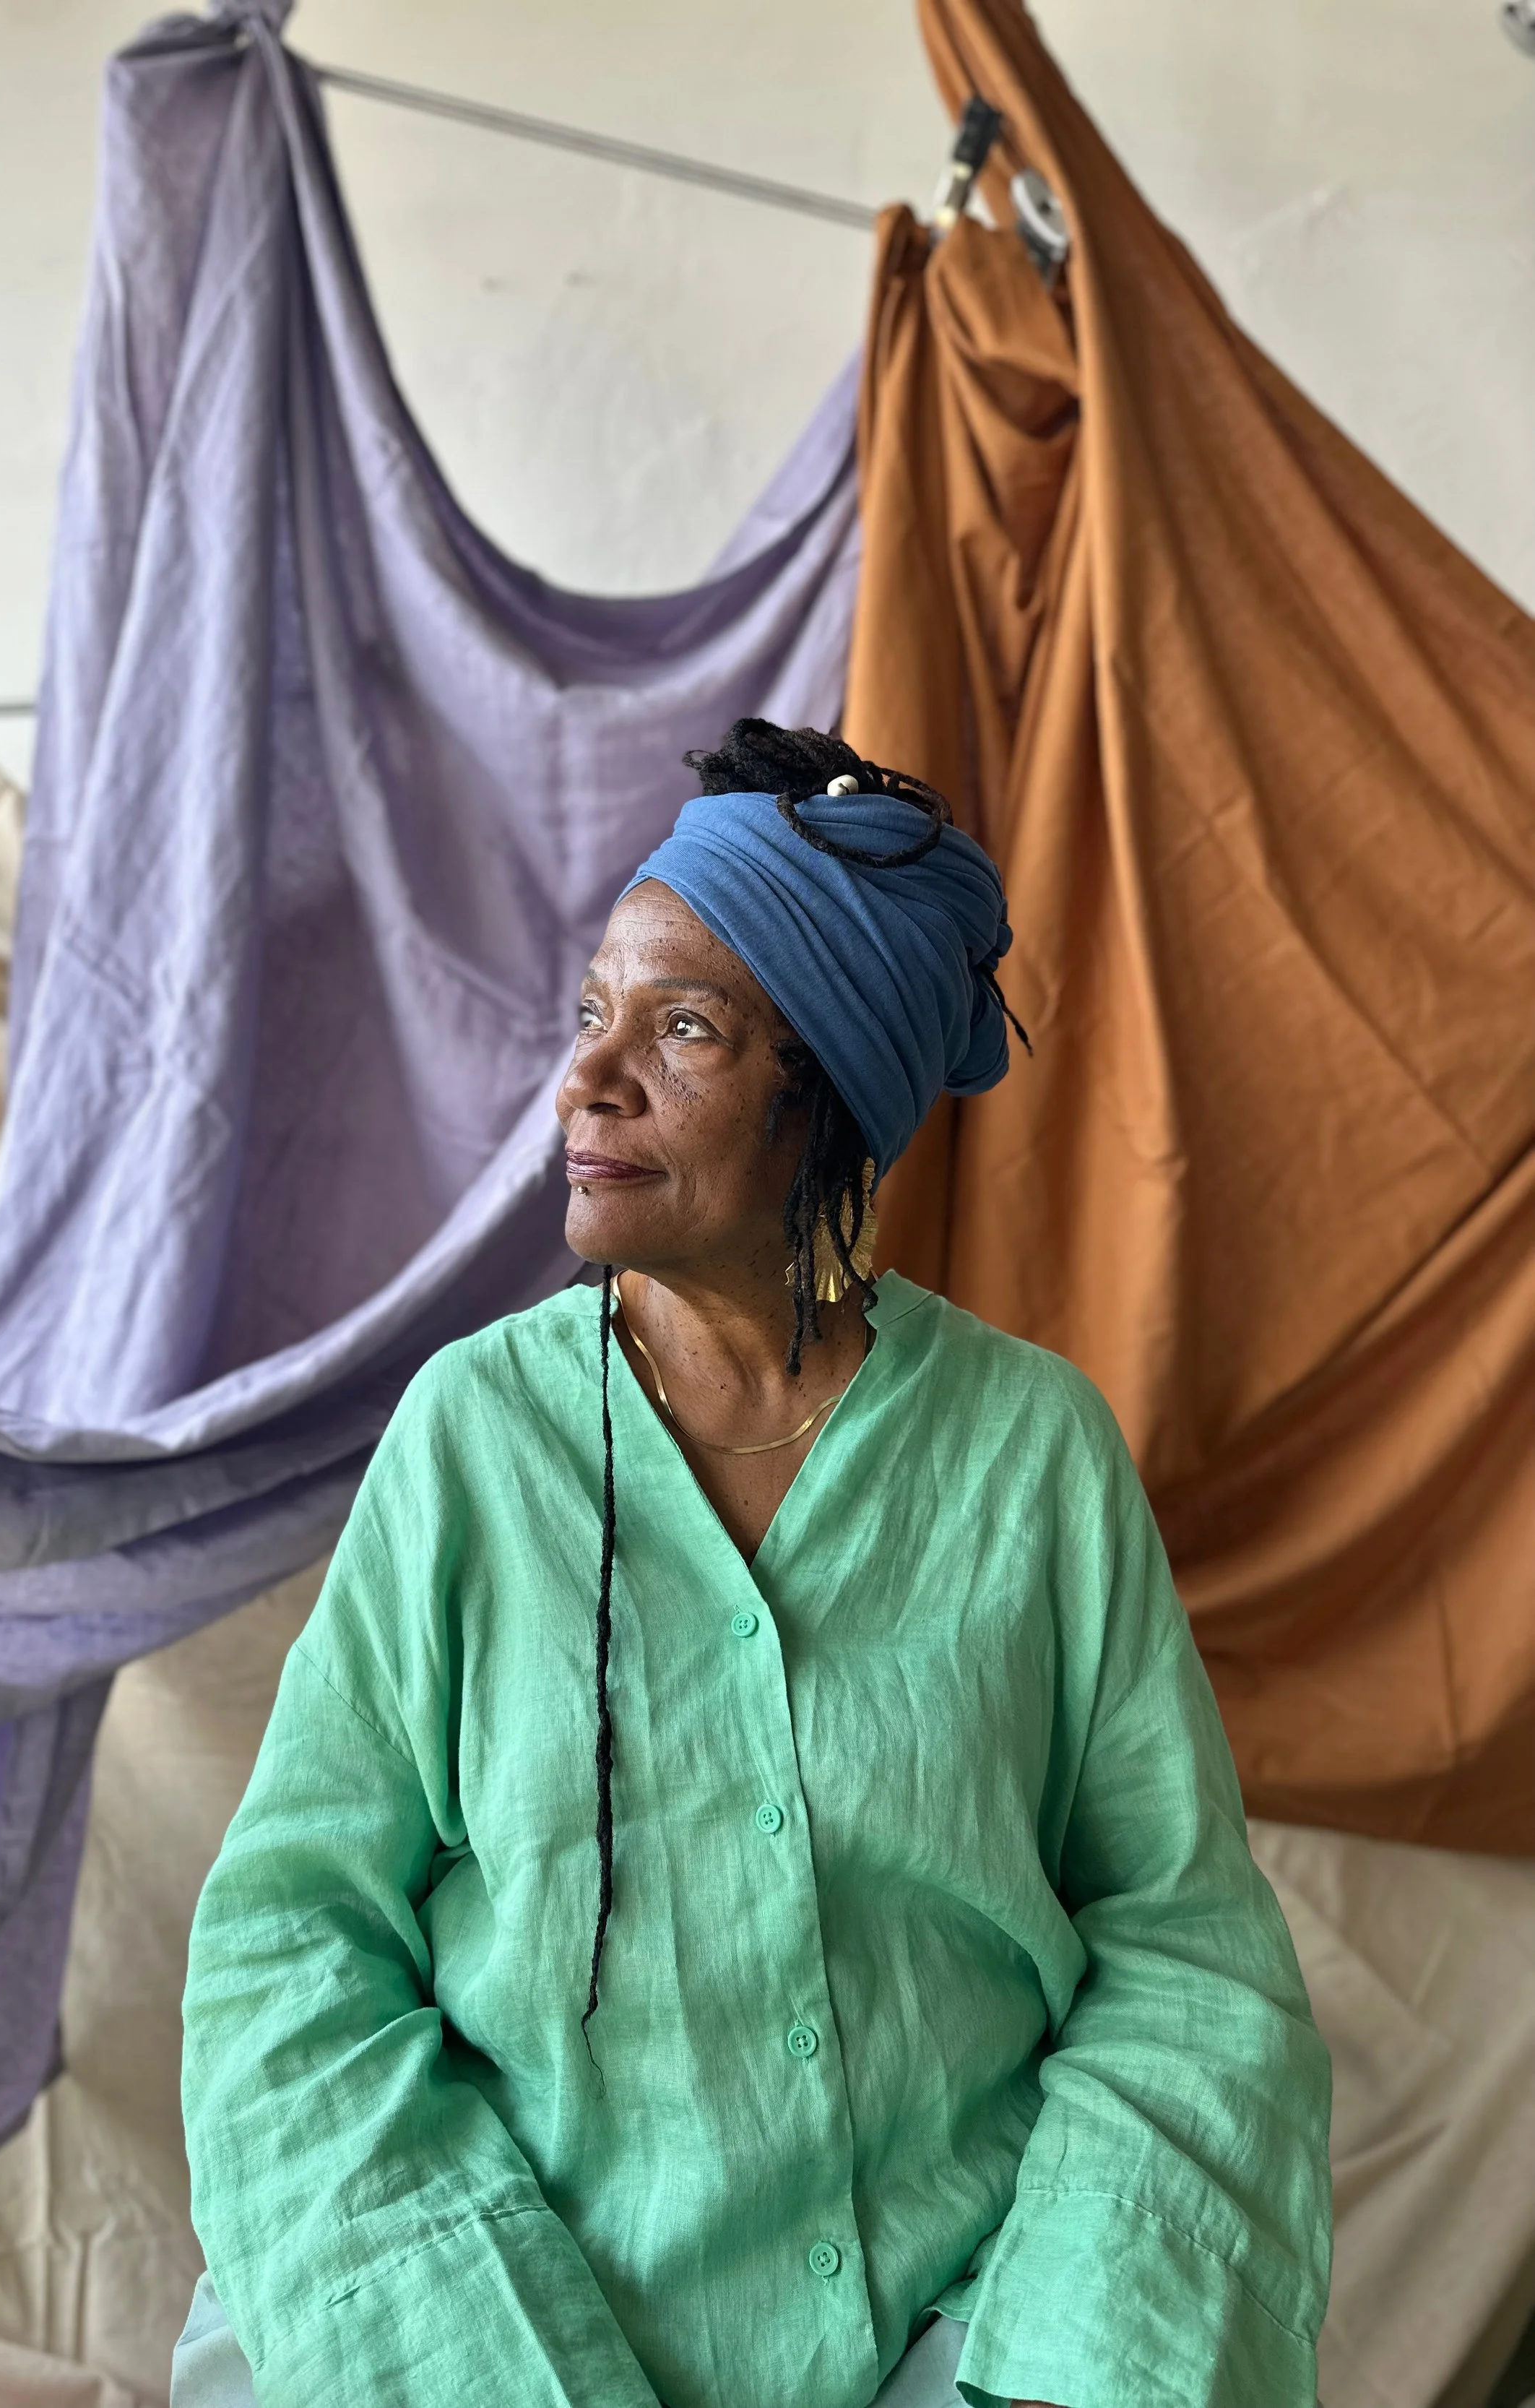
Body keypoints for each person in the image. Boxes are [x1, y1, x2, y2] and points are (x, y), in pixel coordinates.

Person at [176, 719, 1332, 2408]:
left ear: (825, 1088)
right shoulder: (473, 1442)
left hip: (967, 2338)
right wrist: (487, 2365)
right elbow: (291, 1943)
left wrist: (1055, 2359)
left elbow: (1184, 1959)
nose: (586, 1080)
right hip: (510, 2338)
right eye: (591, 1015)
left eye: (682, 1028)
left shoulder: (1031, 1457)